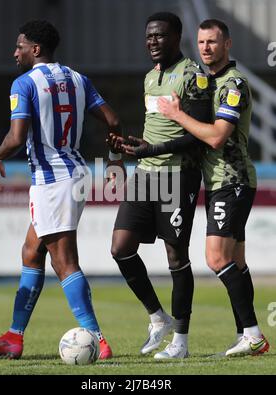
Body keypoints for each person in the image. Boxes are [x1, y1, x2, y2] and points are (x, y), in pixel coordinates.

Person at [123, 19, 270, 357]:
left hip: (231, 181)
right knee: (237, 261)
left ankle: (253, 333)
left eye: (214, 42)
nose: (206, 48)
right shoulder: (208, 82)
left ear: (228, 45)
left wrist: (177, 114)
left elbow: (217, 136)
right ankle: (244, 334)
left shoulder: (233, 83)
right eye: (202, 42)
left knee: (216, 258)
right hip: (218, 182)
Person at [0, 20, 122, 360]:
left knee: (64, 262)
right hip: (75, 175)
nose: (15, 52)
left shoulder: (24, 83)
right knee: (32, 252)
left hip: (52, 181)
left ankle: (98, 340)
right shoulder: (78, 79)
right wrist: (115, 161)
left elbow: (16, 138)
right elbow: (114, 121)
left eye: (20, 46)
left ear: (36, 49)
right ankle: (14, 337)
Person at [109, 12, 212, 359]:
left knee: (175, 256)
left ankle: (180, 341)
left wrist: (155, 149)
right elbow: (157, 127)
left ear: (177, 37)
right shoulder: (150, 78)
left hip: (178, 175)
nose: (153, 42)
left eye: (160, 36)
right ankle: (158, 317)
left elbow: (198, 137)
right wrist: (133, 146)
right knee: (120, 248)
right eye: (149, 36)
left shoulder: (192, 76)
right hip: (145, 173)